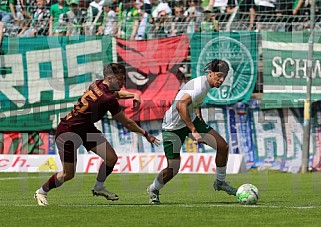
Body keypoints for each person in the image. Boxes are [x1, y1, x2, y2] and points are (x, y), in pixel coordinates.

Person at [34, 63, 160, 206]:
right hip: (68, 131)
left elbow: (115, 94)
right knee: (68, 174)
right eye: (120, 79)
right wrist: (146, 134)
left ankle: (99, 187)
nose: (123, 83)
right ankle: (41, 191)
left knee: (111, 158)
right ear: (109, 78)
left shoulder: (98, 84)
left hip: (86, 129)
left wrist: (134, 94)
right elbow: (128, 123)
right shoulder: (107, 99)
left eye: (123, 79)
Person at [146, 59, 237, 205]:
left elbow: (193, 101)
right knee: (173, 168)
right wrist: (194, 131)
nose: (221, 80)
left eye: (224, 77)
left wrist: (198, 112)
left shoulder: (205, 84)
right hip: (173, 127)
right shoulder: (200, 86)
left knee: (223, 146)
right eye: (219, 76)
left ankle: (220, 182)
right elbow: (181, 105)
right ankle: (153, 189)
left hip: (190, 119)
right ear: (210, 73)